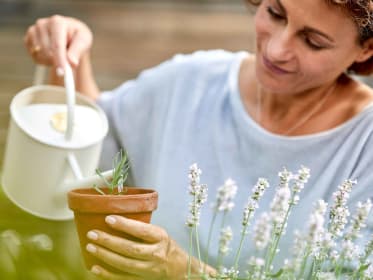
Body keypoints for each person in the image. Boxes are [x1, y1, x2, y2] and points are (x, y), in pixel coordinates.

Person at [24, 0, 373, 279]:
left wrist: (186, 273)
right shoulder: (190, 83)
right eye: (275, 13)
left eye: (312, 41)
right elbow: (93, 156)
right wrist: (69, 60)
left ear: (366, 49)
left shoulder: (364, 144)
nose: (277, 49)